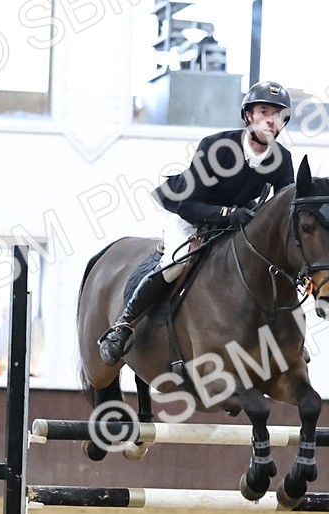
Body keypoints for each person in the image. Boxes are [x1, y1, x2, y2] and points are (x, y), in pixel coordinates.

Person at [98, 80, 296, 366]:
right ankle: (123, 325)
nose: (269, 119)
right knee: (176, 263)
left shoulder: (281, 159)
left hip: (234, 216)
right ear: (248, 116)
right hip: (187, 210)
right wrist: (229, 215)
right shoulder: (217, 147)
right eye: (263, 111)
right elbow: (190, 204)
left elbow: (282, 211)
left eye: (277, 114)